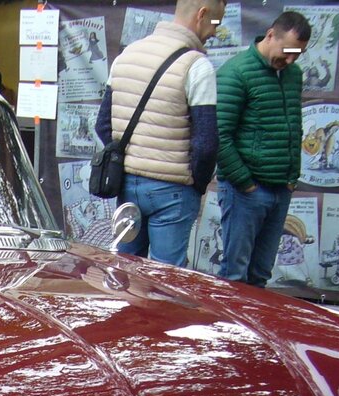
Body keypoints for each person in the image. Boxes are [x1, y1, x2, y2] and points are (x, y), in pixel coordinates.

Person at [95, 0, 225, 266]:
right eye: (215, 23)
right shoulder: (197, 66)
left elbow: (103, 125)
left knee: (125, 273)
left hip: (127, 185)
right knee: (166, 281)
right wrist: (196, 186)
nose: (214, 32)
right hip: (174, 190)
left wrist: (131, 159)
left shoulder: (126, 55)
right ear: (202, 15)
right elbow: (206, 144)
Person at [215, 10, 310, 286]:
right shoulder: (236, 72)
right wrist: (245, 184)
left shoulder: (293, 74)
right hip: (246, 191)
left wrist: (292, 178)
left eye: (298, 54)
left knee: (261, 275)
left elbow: (294, 124)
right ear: (270, 35)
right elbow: (219, 135)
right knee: (234, 274)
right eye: (287, 51)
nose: (290, 59)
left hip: (280, 188)